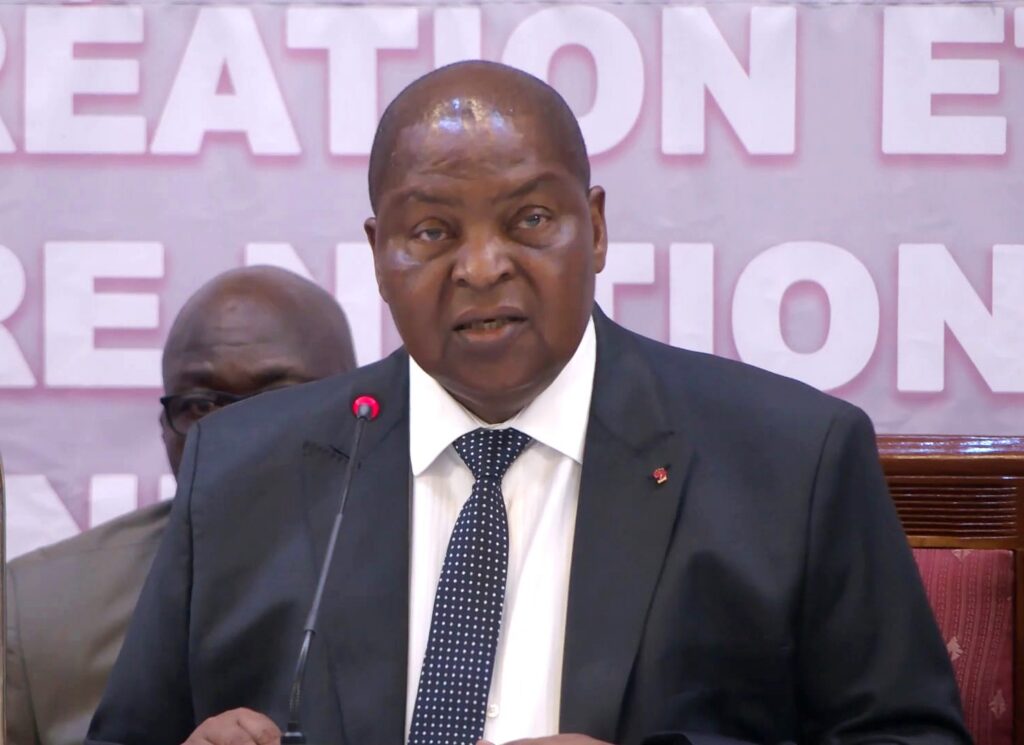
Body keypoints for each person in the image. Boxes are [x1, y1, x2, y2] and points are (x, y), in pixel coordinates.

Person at [86, 62, 968, 745]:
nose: (481, 266)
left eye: (530, 220)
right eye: (432, 231)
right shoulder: (242, 470)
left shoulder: (790, 461)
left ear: (597, 228)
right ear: (380, 254)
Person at [5, 266, 356, 745]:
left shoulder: (437, 577)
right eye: (200, 406)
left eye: (277, 398)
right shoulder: (41, 613)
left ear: (359, 407)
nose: (233, 434)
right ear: (164, 428)